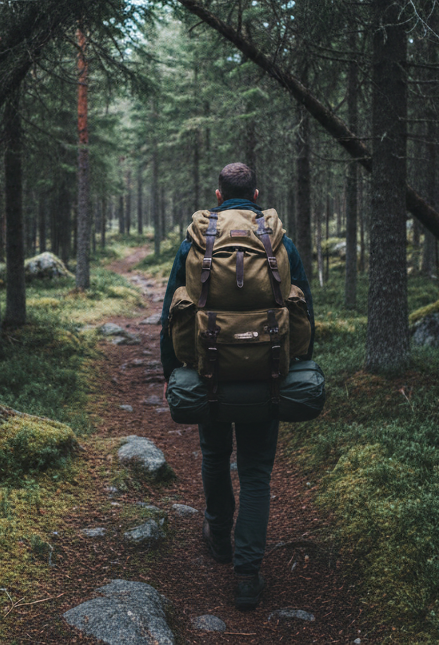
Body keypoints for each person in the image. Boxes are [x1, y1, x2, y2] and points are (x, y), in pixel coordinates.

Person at [159, 162, 314, 610]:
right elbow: (303, 310)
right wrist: (296, 364)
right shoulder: (279, 243)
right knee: (256, 472)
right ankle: (247, 575)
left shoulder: (196, 242)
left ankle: (219, 537)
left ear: (219, 196)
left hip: (210, 376)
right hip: (267, 376)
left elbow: (172, 311)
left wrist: (173, 370)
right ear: (258, 195)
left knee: (213, 454)